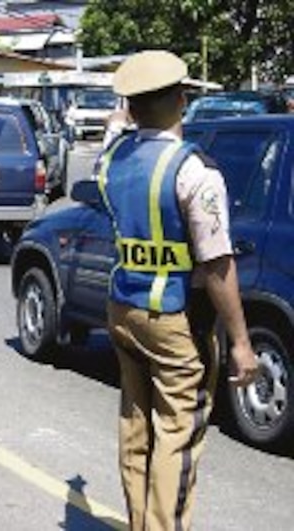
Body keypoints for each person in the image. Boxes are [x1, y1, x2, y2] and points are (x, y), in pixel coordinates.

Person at [97, 50, 258, 530]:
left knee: (135, 426)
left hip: (123, 307)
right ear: (182, 100)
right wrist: (242, 343)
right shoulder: (195, 171)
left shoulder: (111, 159)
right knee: (177, 436)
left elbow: (113, 126)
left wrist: (125, 111)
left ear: (132, 105)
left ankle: (140, 522)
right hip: (176, 321)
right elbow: (216, 264)